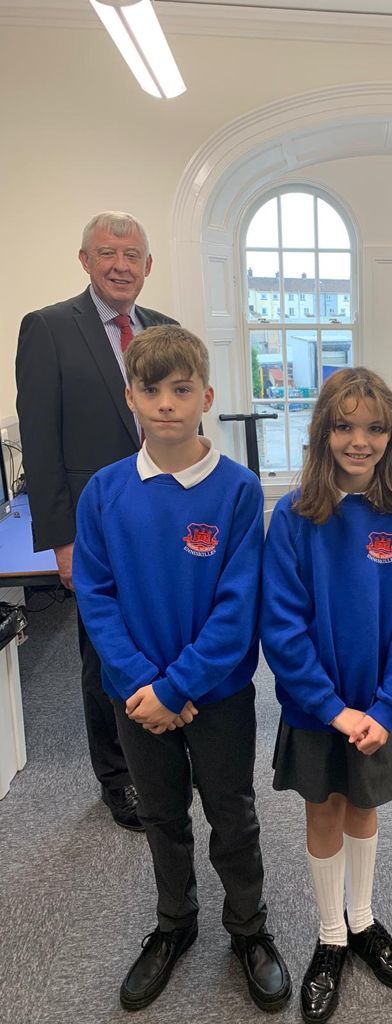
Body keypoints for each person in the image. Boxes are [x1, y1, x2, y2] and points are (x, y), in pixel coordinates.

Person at [72, 326, 291, 1012]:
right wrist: (146, 686)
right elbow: (97, 598)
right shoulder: (104, 493)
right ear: (130, 395)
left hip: (215, 696)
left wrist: (177, 687)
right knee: (162, 815)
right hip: (135, 699)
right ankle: (174, 924)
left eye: (181, 389)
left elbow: (237, 607)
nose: (166, 404)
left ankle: (248, 928)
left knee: (233, 814)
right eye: (151, 390)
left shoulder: (236, 490)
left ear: (206, 396)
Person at [261, 368, 392, 1024]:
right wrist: (332, 707)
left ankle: (362, 922)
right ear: (322, 432)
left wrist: (386, 708)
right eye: (344, 426)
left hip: (378, 708)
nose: (359, 441)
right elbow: (282, 626)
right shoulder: (296, 516)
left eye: (374, 428)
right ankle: (330, 935)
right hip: (318, 708)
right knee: (323, 810)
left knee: (364, 808)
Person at [15, 211, 177, 830]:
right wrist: (61, 542)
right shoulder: (49, 329)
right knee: (103, 653)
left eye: (132, 255)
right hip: (95, 528)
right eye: (107, 253)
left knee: (163, 637)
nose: (120, 265)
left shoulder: (164, 330)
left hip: (164, 521)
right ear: (84, 261)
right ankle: (118, 779)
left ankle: (162, 757)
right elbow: (40, 441)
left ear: (148, 265)